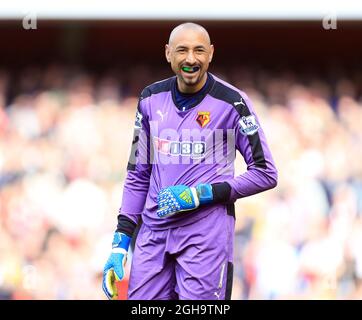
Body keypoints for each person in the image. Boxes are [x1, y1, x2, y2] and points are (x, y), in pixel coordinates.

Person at [102, 22, 278, 300]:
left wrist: (201, 194)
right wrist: (120, 244)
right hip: (153, 237)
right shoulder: (150, 99)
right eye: (182, 50)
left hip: (205, 238)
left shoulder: (233, 103)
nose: (191, 59)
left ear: (211, 53)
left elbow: (266, 172)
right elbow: (138, 174)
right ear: (168, 53)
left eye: (199, 50)